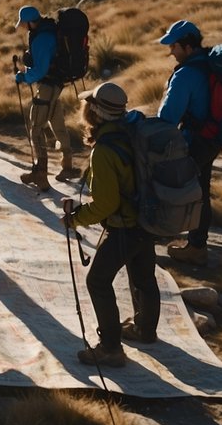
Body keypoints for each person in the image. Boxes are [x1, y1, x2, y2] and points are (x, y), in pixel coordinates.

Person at [61, 82, 159, 368]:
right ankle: (145, 329)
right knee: (143, 277)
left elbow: (105, 205)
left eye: (87, 104)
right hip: (146, 221)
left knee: (98, 281)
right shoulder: (132, 133)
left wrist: (74, 219)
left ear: (94, 112)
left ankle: (111, 348)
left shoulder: (104, 150)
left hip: (125, 226)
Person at [156, 19, 218, 265]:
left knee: (174, 186)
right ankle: (197, 242)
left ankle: (192, 245)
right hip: (213, 138)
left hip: (194, 141)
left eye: (174, 46)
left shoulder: (186, 74)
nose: (170, 51)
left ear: (187, 47)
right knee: (202, 189)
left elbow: (167, 117)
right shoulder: (208, 64)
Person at [13, 5, 79, 190]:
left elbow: (41, 70)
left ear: (28, 22)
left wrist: (24, 77)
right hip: (56, 84)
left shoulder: (41, 38)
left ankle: (40, 174)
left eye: (23, 23)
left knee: (36, 128)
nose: (23, 27)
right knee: (57, 123)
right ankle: (68, 166)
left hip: (48, 86)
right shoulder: (49, 31)